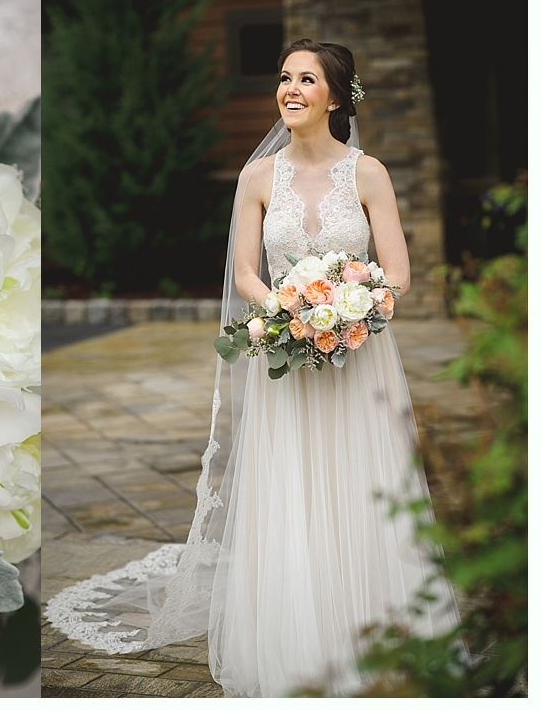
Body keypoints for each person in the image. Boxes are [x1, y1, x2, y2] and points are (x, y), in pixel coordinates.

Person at [45, 39, 463, 697]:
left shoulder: (370, 174)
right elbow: (244, 271)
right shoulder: (258, 178)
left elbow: (400, 273)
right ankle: (297, 636)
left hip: (359, 358)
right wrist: (294, 310)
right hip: (287, 353)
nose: (290, 89)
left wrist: (344, 314)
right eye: (283, 77)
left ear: (336, 96)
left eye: (306, 79)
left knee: (357, 481)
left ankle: (373, 623)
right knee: (293, 485)